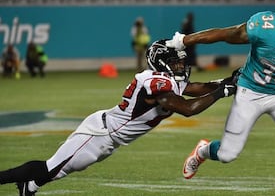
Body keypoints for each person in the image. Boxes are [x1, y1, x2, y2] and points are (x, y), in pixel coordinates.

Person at [0, 39, 236, 196]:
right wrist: (222, 91)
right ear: (161, 62)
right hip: (98, 133)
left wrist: (227, 82)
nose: (181, 65)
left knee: (61, 171)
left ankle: (27, 188)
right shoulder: (155, 83)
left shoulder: (164, 80)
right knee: (48, 168)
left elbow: (194, 87)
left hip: (110, 139)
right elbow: (187, 108)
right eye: (176, 61)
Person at [166, 0, 275, 195]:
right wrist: (185, 40)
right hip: (249, 92)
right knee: (227, 154)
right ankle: (202, 151)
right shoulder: (265, 26)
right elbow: (226, 34)